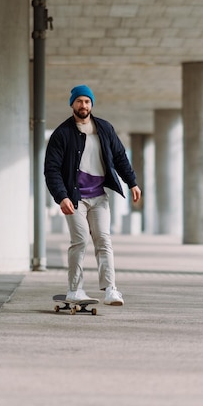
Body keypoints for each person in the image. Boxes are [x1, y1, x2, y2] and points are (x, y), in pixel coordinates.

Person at [44, 84, 141, 306]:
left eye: (87, 101)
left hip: (99, 196)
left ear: (92, 104)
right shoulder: (62, 134)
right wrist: (62, 197)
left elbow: (120, 157)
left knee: (103, 240)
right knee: (79, 241)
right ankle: (74, 289)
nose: (83, 105)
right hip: (74, 197)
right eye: (79, 101)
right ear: (72, 104)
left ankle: (110, 290)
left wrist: (132, 183)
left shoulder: (104, 129)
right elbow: (51, 169)